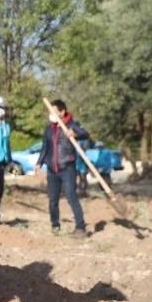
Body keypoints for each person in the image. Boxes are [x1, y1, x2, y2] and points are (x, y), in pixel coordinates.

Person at [35, 99, 89, 237]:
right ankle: (55, 225)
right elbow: (44, 148)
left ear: (62, 112)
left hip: (67, 168)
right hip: (52, 169)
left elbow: (85, 134)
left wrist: (74, 133)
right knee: (53, 200)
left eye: (53, 111)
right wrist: (39, 163)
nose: (50, 114)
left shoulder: (71, 125)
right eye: (50, 111)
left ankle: (80, 227)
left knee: (71, 197)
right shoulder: (48, 129)